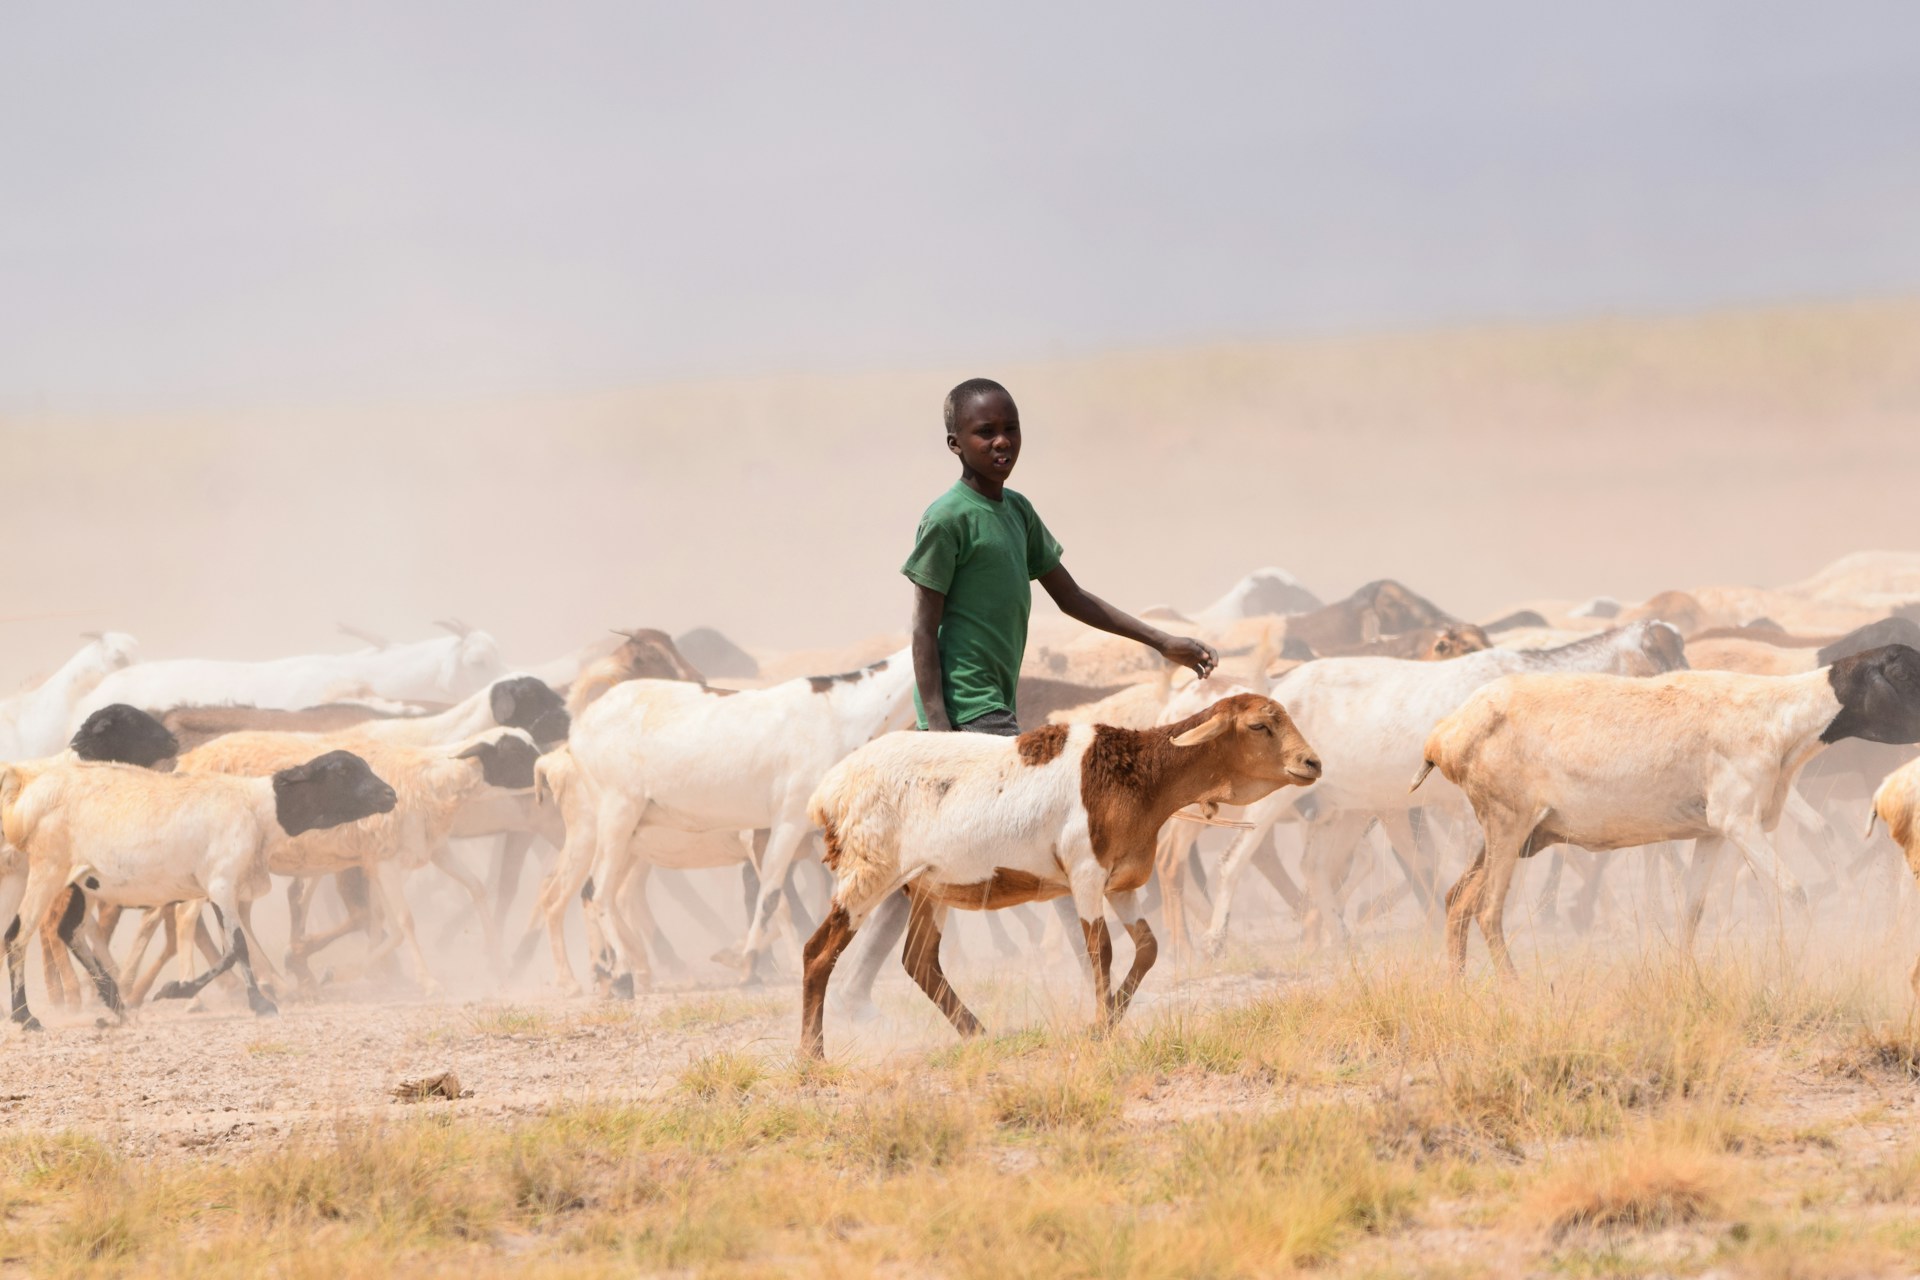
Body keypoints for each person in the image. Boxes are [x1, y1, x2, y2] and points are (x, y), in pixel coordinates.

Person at [832, 376, 1220, 1015]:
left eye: (1010, 428)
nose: (1002, 441)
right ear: (955, 443)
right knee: (1064, 856)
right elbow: (923, 632)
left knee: (924, 871)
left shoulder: (1016, 513)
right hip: (968, 717)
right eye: (985, 432)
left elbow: (1073, 597)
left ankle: (854, 990)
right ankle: (1103, 1002)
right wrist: (939, 732)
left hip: (997, 712)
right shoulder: (947, 518)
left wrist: (1159, 641)